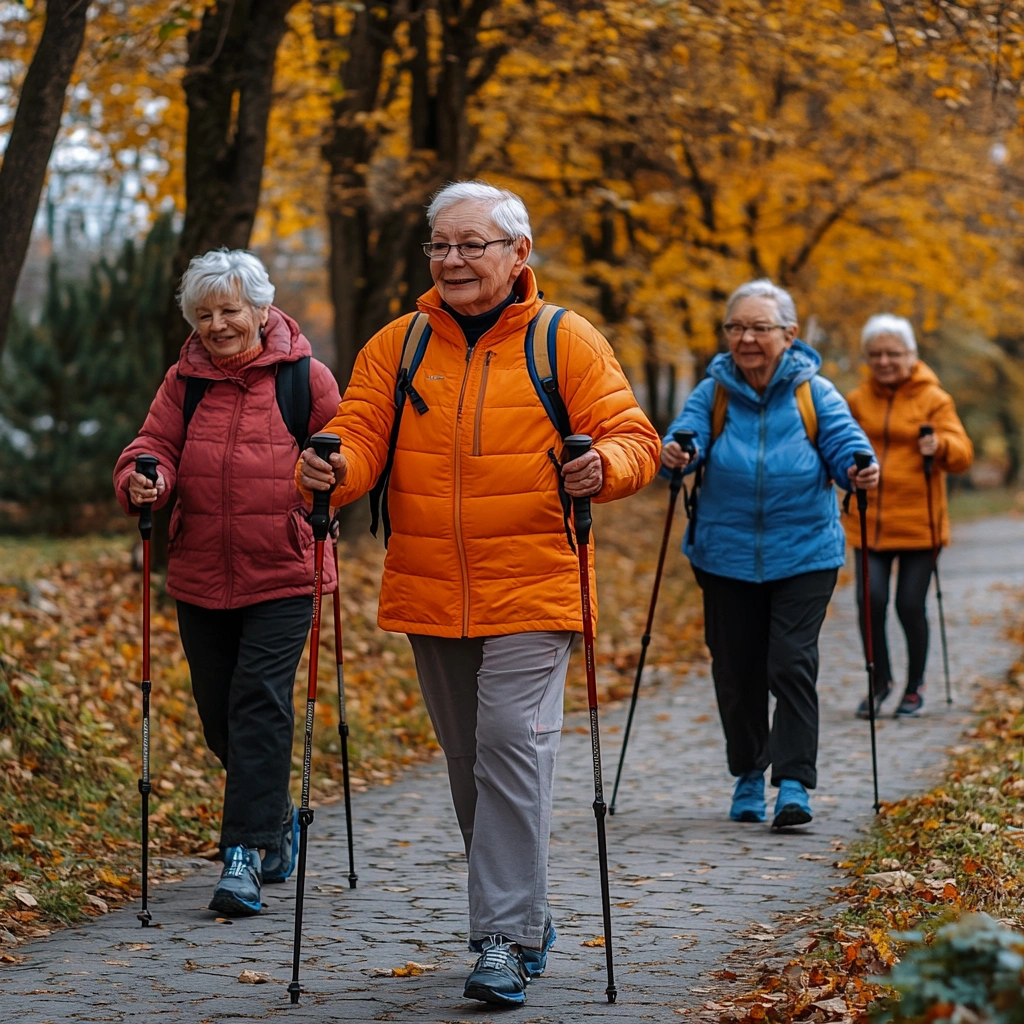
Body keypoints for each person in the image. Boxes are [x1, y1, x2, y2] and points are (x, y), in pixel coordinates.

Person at [298, 180, 659, 1007]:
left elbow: (631, 438)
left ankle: (500, 937)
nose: (453, 259)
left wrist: (603, 468)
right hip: (432, 584)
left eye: (472, 244)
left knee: (507, 742)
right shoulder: (399, 344)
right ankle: (526, 913)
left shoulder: (565, 339)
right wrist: (328, 469)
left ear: (518, 252)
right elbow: (361, 435)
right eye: (441, 245)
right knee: (470, 761)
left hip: (535, 579)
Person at [113, 249, 341, 917]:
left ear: (261, 310)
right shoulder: (185, 381)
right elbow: (153, 445)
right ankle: (274, 820)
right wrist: (143, 478)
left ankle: (243, 856)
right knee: (220, 716)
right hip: (202, 571)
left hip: (284, 570)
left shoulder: (305, 378)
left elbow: (349, 450)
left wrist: (333, 478)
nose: (217, 325)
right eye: (204, 314)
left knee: (259, 702)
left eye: (230, 311)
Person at [662, 279, 877, 830]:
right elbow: (686, 439)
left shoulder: (815, 392)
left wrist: (859, 467)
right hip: (724, 554)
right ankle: (749, 774)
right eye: (736, 327)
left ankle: (794, 783)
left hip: (805, 553)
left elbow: (845, 444)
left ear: (789, 334)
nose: (746, 339)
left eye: (759, 328)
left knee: (790, 662)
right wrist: (678, 452)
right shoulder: (713, 392)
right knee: (736, 671)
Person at [843, 314, 973, 719]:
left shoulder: (934, 399)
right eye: (875, 354)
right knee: (870, 600)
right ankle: (879, 681)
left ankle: (915, 687)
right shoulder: (856, 400)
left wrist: (941, 445)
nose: (884, 361)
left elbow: (963, 455)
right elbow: (836, 443)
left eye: (892, 353)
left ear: (910, 355)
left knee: (909, 604)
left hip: (920, 523)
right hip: (870, 521)